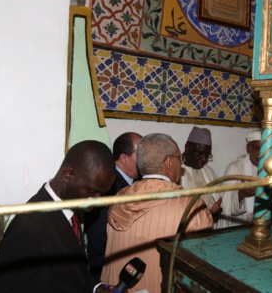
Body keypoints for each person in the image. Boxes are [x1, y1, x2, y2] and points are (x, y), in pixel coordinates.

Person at [0, 140, 116, 293]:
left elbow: (71, 272)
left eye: (102, 194)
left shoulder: (70, 210)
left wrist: (97, 288)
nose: (97, 201)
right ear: (68, 175)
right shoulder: (28, 231)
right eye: (92, 192)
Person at [101, 133, 213, 293]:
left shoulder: (119, 197)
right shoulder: (191, 207)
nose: (180, 164)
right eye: (178, 158)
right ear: (168, 162)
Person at [84, 132, 142, 280]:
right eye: (140, 155)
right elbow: (100, 240)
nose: (144, 160)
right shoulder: (107, 187)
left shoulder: (138, 183)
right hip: (107, 272)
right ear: (123, 158)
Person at [219, 130, 272, 228]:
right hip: (241, 227)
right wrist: (242, 194)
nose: (263, 154)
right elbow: (226, 208)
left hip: (268, 227)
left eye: (266, 150)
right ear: (248, 148)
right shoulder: (235, 169)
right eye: (259, 149)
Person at [179, 126, 222, 218]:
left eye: (207, 155)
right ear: (187, 147)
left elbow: (213, 203)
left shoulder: (210, 172)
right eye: (199, 153)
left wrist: (214, 211)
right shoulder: (176, 172)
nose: (204, 159)